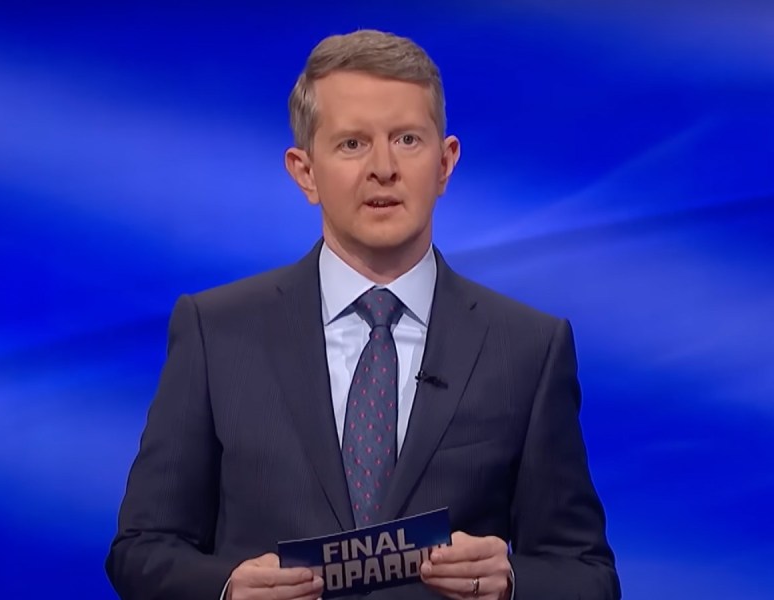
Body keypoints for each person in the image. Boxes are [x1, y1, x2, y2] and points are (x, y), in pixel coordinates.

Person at [106, 29, 620, 600]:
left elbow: (587, 573)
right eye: (352, 144)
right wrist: (226, 588)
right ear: (305, 172)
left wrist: (512, 582)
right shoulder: (217, 332)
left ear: (445, 163)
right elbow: (141, 548)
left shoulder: (526, 347)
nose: (383, 168)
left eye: (406, 139)